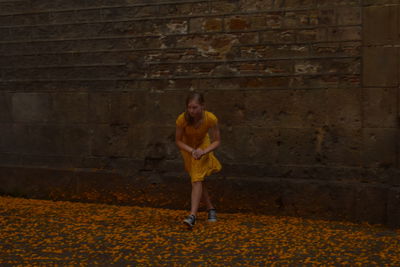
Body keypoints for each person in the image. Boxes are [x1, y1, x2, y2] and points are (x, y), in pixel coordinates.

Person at [175, 91, 222, 228]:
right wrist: (192, 151)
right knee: (197, 179)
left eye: (195, 107)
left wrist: (204, 151)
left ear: (203, 106)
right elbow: (178, 141)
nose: (191, 110)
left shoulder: (211, 118)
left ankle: (192, 216)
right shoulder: (182, 119)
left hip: (203, 146)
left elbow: (217, 140)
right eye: (189, 107)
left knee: (196, 179)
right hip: (187, 148)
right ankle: (210, 209)